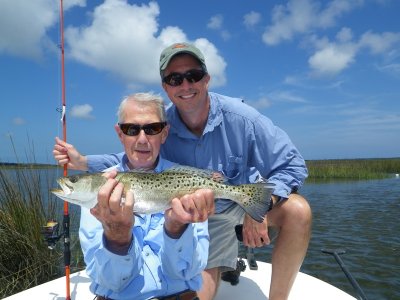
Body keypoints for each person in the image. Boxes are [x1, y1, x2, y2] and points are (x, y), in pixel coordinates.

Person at [57, 43, 312, 300]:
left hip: (235, 202)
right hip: (194, 212)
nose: (185, 85)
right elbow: (131, 161)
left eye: (193, 76)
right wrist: (83, 162)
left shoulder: (244, 119)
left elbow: (292, 165)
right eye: (175, 79)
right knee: (198, 293)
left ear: (207, 79)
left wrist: (261, 208)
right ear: (166, 87)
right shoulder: (158, 123)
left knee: (298, 211)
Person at [53, 92, 214, 300]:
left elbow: (188, 272)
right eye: (131, 129)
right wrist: (117, 237)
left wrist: (176, 229)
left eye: (152, 129)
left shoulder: (188, 182)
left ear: (164, 134)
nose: (142, 139)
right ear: (120, 134)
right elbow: (109, 281)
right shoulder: (101, 193)